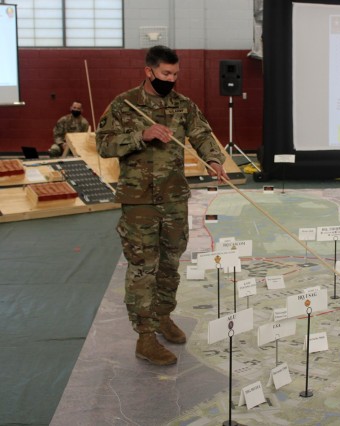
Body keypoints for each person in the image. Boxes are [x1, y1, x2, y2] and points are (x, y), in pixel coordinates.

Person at [96, 45, 229, 366]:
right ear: (149, 71)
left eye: (175, 74)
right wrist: (142, 133)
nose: (171, 79)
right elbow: (103, 144)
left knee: (169, 263)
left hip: (173, 199)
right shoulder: (124, 105)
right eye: (165, 74)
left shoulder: (183, 105)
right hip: (138, 201)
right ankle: (145, 337)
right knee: (144, 267)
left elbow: (202, 133)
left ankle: (163, 316)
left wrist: (214, 158)